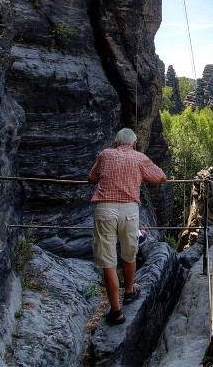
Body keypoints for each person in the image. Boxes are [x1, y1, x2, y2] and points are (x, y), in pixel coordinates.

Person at [88, 128, 167, 325]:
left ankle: (116, 312)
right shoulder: (139, 158)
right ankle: (130, 291)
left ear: (116, 142)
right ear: (133, 143)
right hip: (130, 211)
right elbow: (161, 177)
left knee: (108, 260)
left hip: (105, 209)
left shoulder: (105, 155)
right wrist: (140, 175)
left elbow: (92, 178)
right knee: (129, 253)